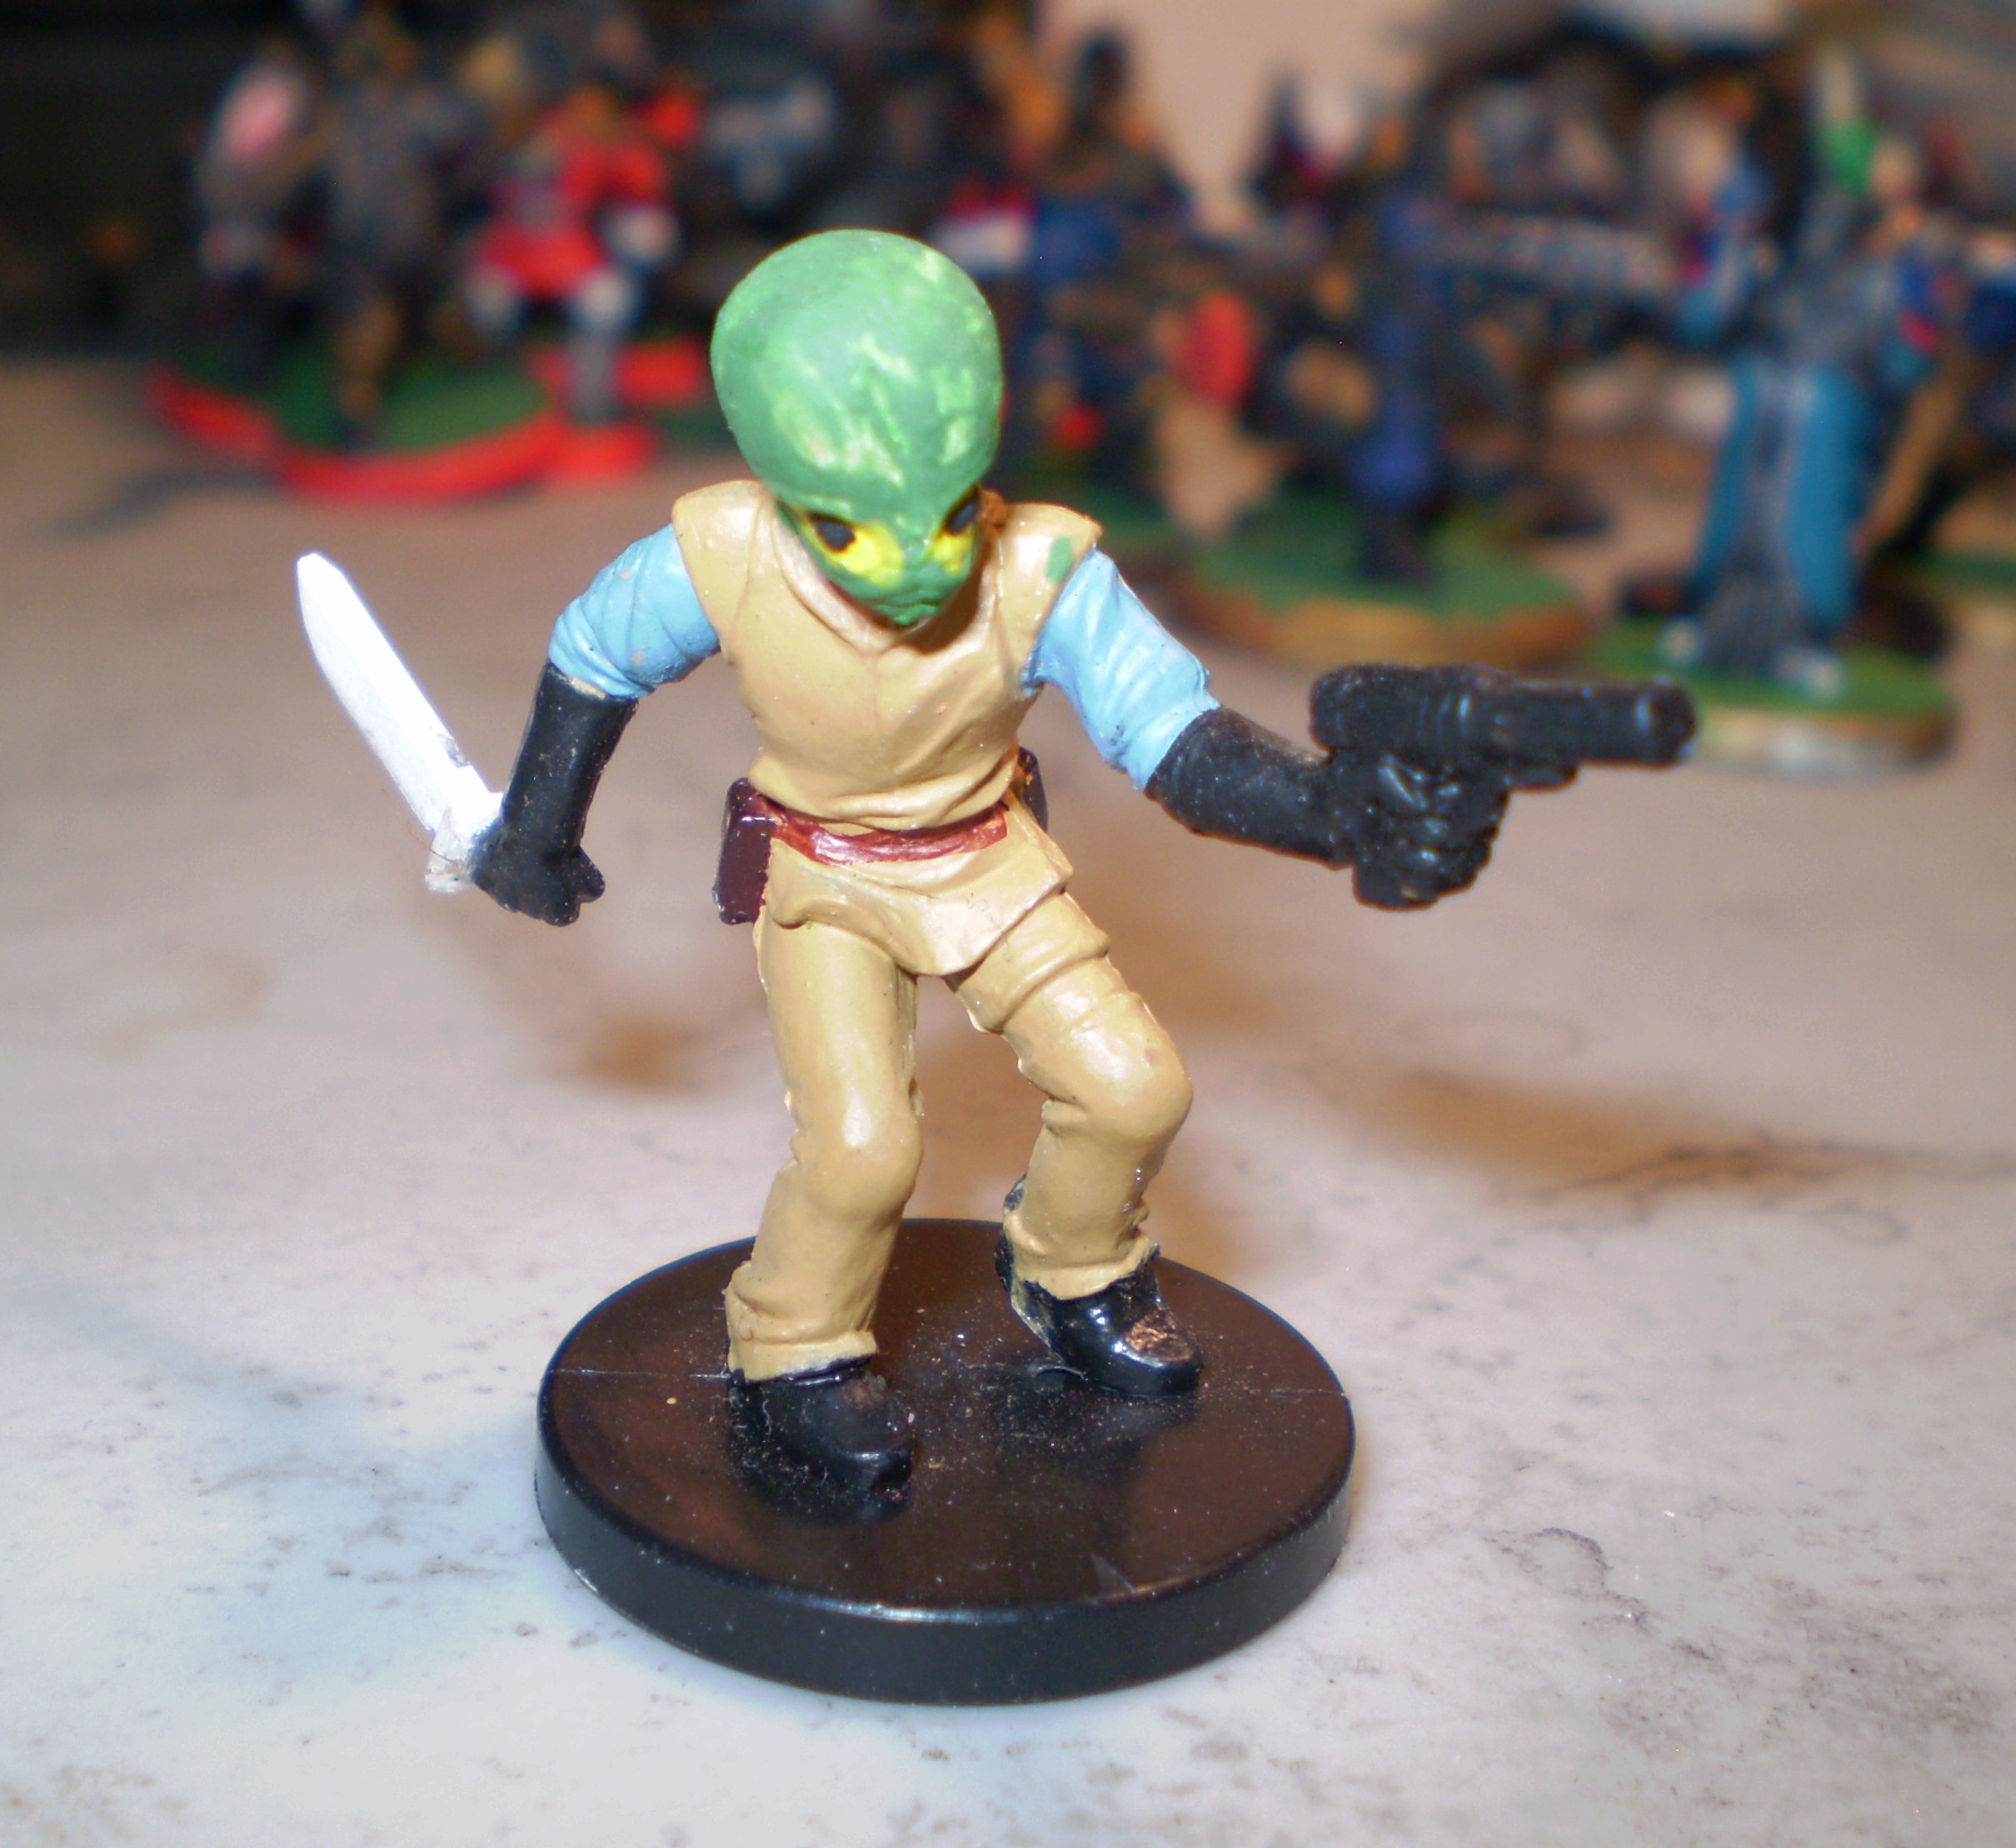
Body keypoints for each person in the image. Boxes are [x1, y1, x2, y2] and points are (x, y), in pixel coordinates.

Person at [468, 231, 1503, 1491]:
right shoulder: (721, 554)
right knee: (860, 1152)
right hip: (828, 878)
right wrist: (536, 827)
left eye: (953, 515)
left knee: (1132, 1089)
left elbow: (1173, 736)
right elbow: (593, 658)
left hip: (990, 859)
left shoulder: (1040, 568)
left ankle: (1074, 1269)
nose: (924, 567)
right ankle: (793, 1344)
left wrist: (1332, 812)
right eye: (852, 533)